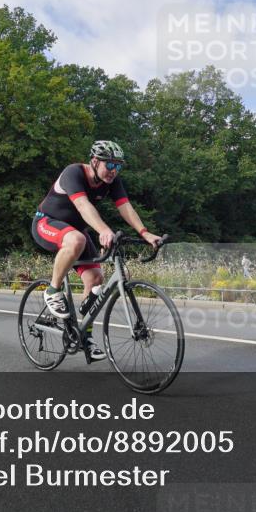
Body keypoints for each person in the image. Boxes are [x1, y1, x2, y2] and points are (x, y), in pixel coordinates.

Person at [32, 140, 160, 360]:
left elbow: (125, 207)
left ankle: (85, 338)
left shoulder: (112, 181)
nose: (114, 171)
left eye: (118, 166)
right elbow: (83, 206)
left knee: (96, 280)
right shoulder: (74, 173)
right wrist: (103, 230)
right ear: (94, 161)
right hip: (46, 223)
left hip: (75, 231)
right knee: (77, 239)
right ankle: (52, 291)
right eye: (110, 165)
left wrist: (145, 232)